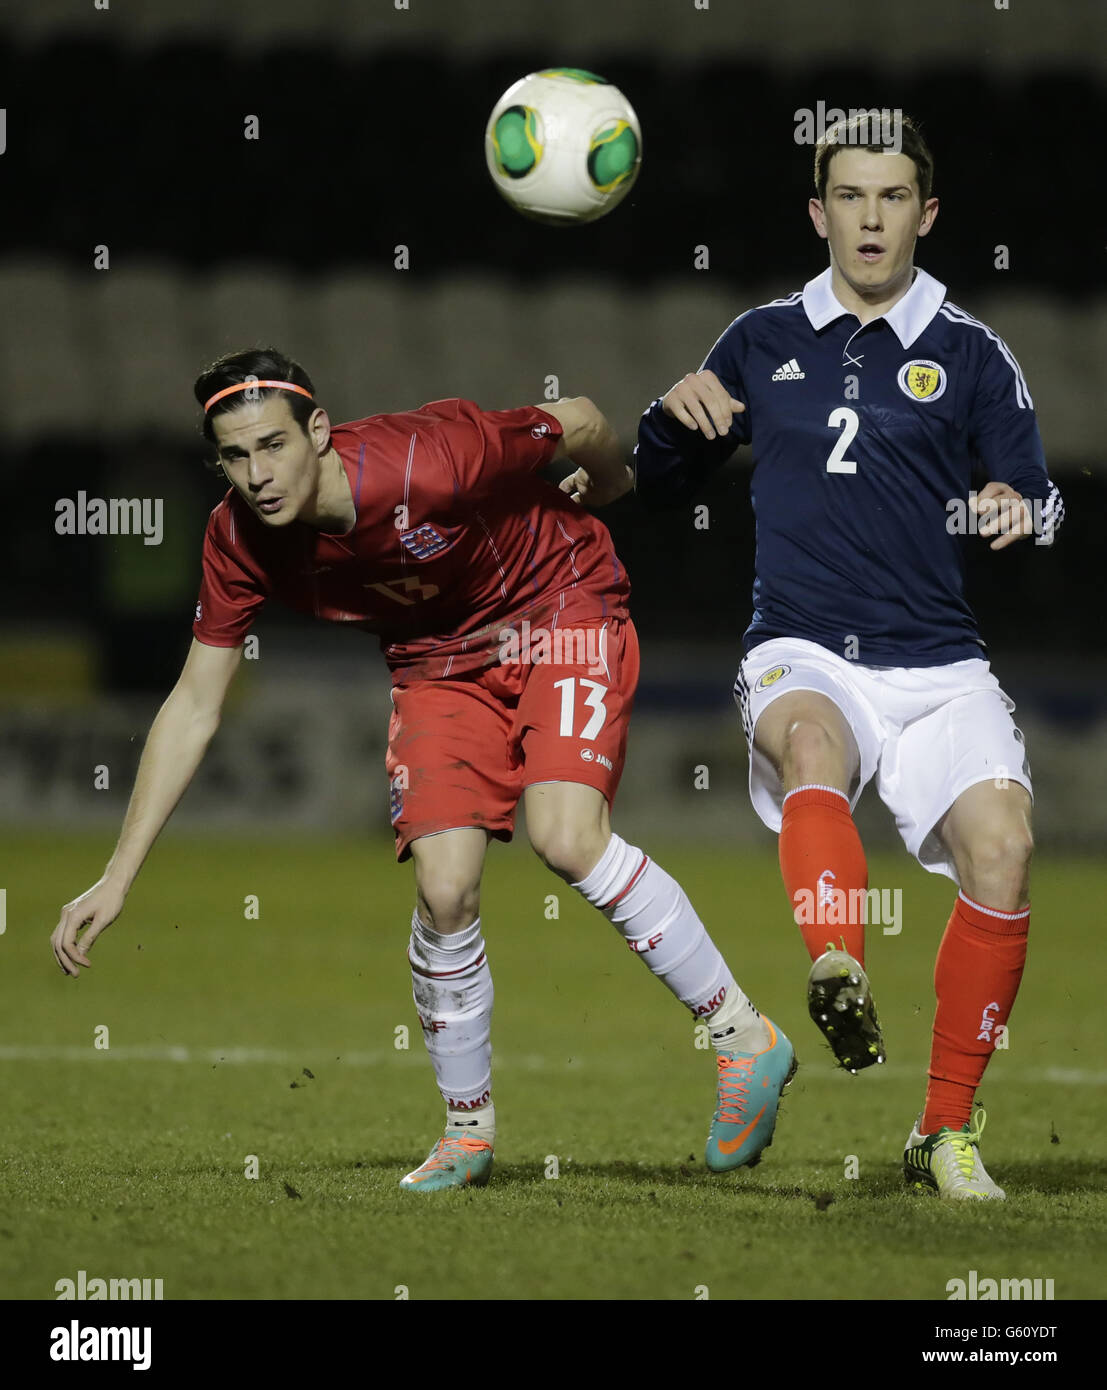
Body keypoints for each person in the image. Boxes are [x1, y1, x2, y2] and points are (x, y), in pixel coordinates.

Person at [51, 348, 795, 1192]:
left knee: (564, 835)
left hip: (558, 606)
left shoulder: (431, 454)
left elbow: (580, 416)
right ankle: (466, 1134)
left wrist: (613, 483)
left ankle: (744, 1041)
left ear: (318, 432)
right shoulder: (236, 541)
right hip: (437, 663)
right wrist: (117, 877)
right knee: (445, 889)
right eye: (234, 455)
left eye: (272, 445)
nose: (257, 474)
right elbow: (192, 705)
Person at [635, 112, 1063, 1201]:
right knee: (811, 741)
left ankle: (942, 1134)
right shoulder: (760, 336)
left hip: (938, 662)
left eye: (893, 199)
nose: (870, 219)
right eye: (850, 198)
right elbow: (659, 472)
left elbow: (1044, 497)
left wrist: (1023, 506)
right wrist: (673, 426)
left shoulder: (971, 353)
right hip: (802, 643)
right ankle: (839, 962)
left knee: (1004, 851)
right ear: (818, 213)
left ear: (925, 214)